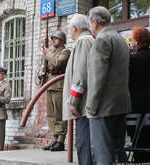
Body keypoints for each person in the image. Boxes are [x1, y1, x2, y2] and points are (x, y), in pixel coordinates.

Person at [85, 6, 131, 164]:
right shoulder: (120, 39)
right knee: (118, 152)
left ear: (95, 22)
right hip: (121, 105)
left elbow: (97, 76)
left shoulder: (102, 40)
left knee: (102, 153)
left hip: (104, 107)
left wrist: (91, 105)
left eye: (90, 24)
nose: (90, 28)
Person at [62, 14, 94, 165]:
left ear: (74, 28)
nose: (69, 32)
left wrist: (74, 101)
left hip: (82, 105)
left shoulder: (83, 41)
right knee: (85, 143)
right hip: (86, 102)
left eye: (70, 29)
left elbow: (80, 74)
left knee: (84, 143)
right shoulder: (88, 40)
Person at [41, 31, 71, 151]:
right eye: (53, 38)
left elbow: (58, 63)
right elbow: (47, 66)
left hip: (59, 86)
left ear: (63, 40)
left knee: (59, 113)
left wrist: (47, 53)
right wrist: (41, 73)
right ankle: (54, 138)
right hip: (49, 85)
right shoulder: (52, 53)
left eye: (56, 38)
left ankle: (61, 140)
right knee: (51, 114)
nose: (54, 40)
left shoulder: (66, 51)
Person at [128, 26, 150, 162]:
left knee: (137, 137)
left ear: (137, 41)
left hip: (136, 103)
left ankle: (139, 159)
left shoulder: (134, 59)